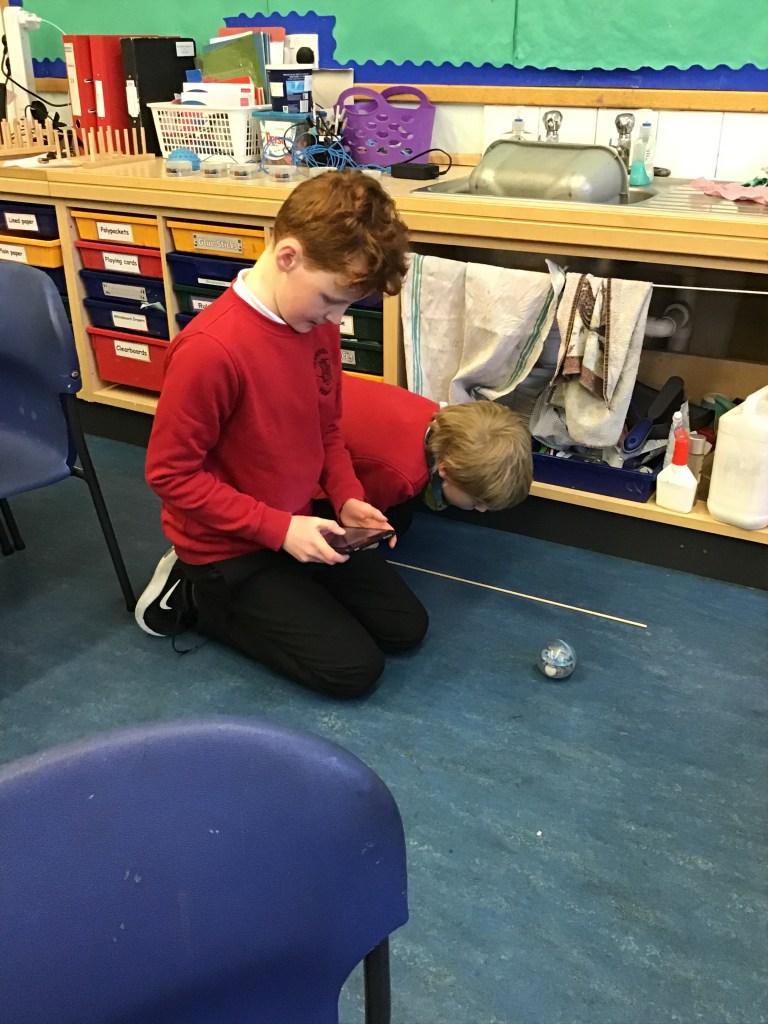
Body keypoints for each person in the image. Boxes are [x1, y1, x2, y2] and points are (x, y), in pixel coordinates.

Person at [135, 171, 428, 699]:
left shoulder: (315, 324)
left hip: (298, 519)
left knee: (406, 629)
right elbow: (169, 475)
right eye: (331, 299)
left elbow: (328, 429)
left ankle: (290, 588)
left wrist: (347, 497)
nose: (337, 318)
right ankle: (194, 598)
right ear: (288, 257)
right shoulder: (210, 351)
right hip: (228, 545)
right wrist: (279, 529)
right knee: (353, 671)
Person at [338, 374, 533, 531]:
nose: (481, 510)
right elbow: (355, 512)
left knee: (398, 519)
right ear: (445, 470)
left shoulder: (437, 418)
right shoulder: (404, 477)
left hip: (335, 393)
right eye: (476, 502)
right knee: (385, 528)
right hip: (323, 454)